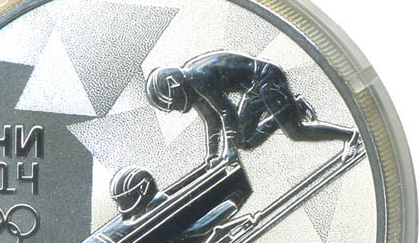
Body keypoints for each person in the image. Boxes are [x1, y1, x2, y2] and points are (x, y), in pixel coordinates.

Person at [146, 51, 359, 168]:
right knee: (243, 140)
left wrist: (228, 150)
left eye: (171, 104)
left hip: (266, 78)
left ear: (174, 86)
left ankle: (350, 135)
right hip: (255, 87)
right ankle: (296, 106)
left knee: (296, 131)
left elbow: (226, 111)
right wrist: (211, 155)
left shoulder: (197, 77)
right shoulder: (193, 87)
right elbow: (211, 119)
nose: (176, 109)